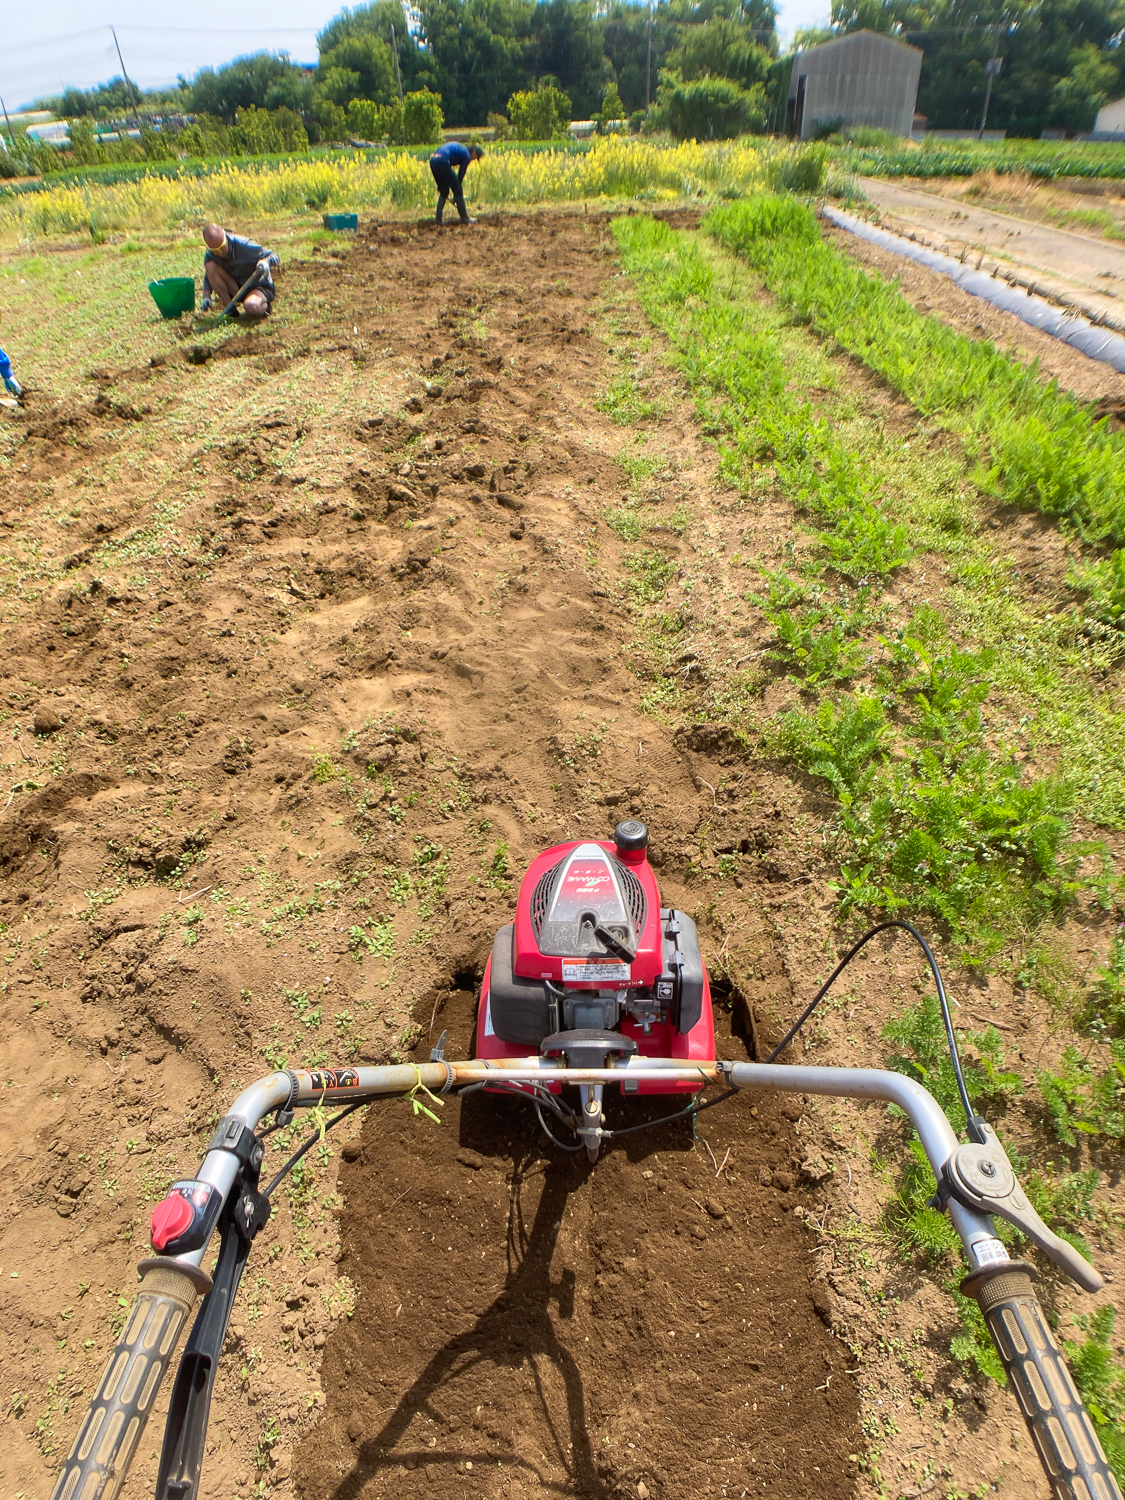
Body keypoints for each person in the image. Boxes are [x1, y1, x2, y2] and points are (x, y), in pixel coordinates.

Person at [200, 224, 280, 317]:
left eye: (222, 247)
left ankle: (263, 306)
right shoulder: (211, 253)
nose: (220, 253)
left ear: (225, 237)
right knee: (210, 266)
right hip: (237, 287)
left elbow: (274, 255)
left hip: (258, 287)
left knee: (251, 306)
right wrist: (206, 296)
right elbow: (210, 274)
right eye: (215, 250)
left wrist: (266, 261)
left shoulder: (244, 245)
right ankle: (230, 311)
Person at [429, 142, 483, 226]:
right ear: (474, 152)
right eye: (476, 157)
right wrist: (457, 194)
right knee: (458, 189)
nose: (473, 160)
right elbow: (461, 175)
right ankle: (465, 218)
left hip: (433, 161)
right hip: (442, 161)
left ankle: (438, 219)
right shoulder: (467, 155)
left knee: (444, 191)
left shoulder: (461, 149)